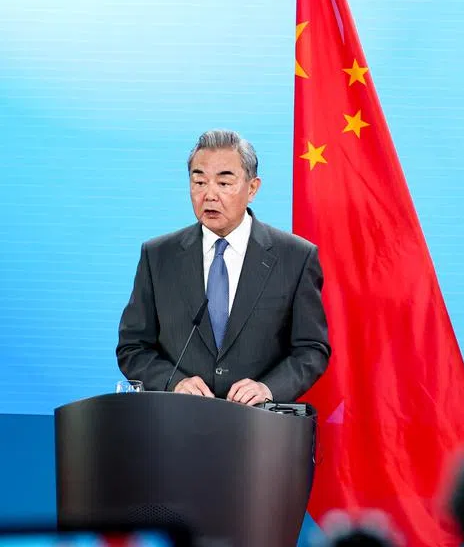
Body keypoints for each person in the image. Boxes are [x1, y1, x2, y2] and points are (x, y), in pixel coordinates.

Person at [117, 129, 330, 404]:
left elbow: (311, 349)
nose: (209, 195)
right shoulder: (158, 256)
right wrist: (174, 382)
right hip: (177, 424)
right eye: (199, 182)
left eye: (224, 183)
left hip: (260, 427)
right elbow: (133, 347)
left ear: (252, 188)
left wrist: (268, 388)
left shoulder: (295, 257)